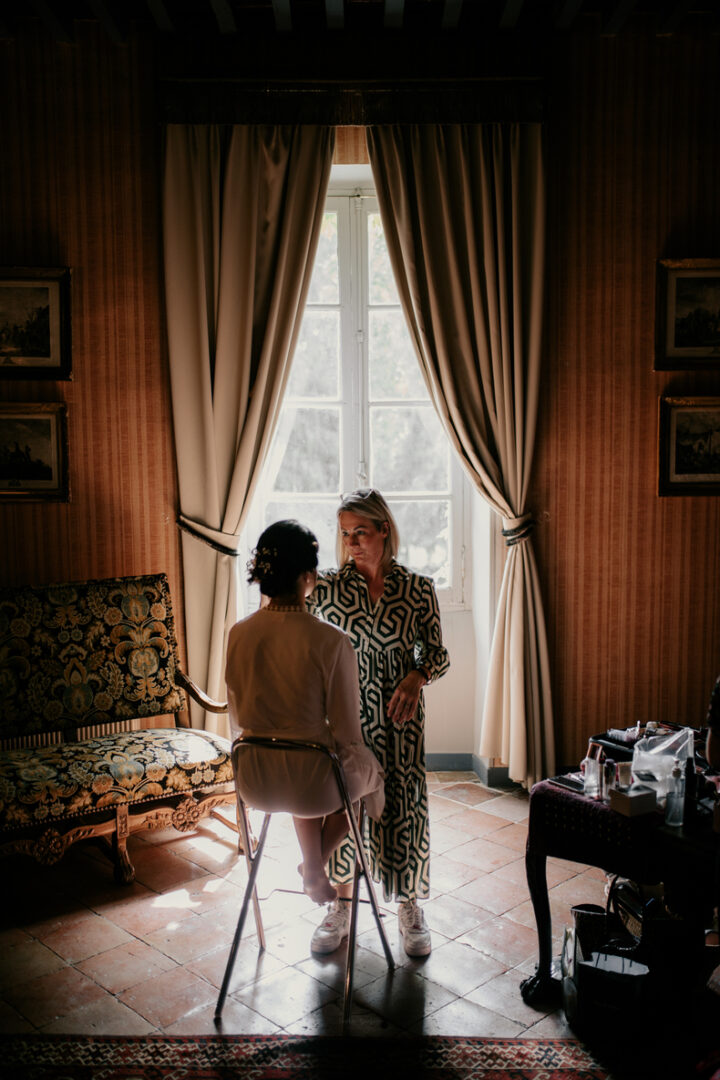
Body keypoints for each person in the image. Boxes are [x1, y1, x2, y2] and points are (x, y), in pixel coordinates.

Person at [307, 489, 450, 956]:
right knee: (345, 805)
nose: (351, 542)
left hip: (399, 719)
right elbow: (298, 637)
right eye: (345, 533)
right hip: (346, 716)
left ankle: (409, 905)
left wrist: (416, 674)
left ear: (384, 529)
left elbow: (437, 654)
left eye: (360, 532)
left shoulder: (417, 588)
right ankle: (341, 908)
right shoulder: (326, 588)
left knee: (403, 803)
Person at [225, 520, 385, 905]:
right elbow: (348, 734)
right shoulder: (330, 640)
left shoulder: (238, 633)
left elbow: (236, 715)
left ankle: (312, 864)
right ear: (307, 576)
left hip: (253, 780)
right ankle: (315, 863)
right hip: (314, 784)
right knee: (367, 774)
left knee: (307, 762)